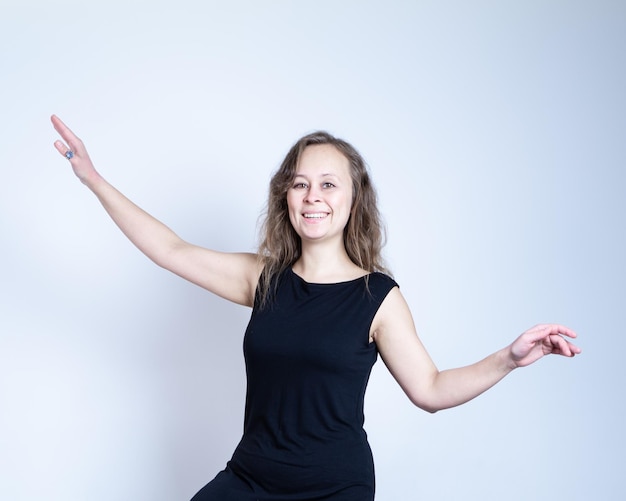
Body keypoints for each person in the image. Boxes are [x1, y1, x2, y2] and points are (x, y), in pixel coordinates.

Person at [51, 114, 581, 501]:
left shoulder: (378, 297)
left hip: (335, 487)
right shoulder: (264, 279)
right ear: (286, 196)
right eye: (300, 184)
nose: (312, 197)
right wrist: (94, 179)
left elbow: (431, 390)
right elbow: (171, 250)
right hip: (252, 477)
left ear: (353, 200)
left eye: (328, 185)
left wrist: (508, 358)